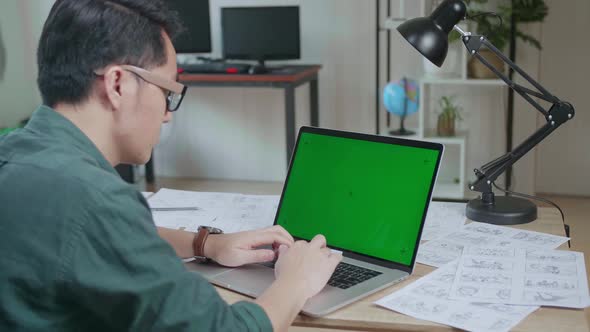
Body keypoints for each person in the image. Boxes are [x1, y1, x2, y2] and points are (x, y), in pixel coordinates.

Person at [0, 0, 341, 331]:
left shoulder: (15, 153)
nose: (166, 114)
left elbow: (95, 237)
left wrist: (205, 244)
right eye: (167, 92)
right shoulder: (96, 200)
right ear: (118, 84)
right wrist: (297, 281)